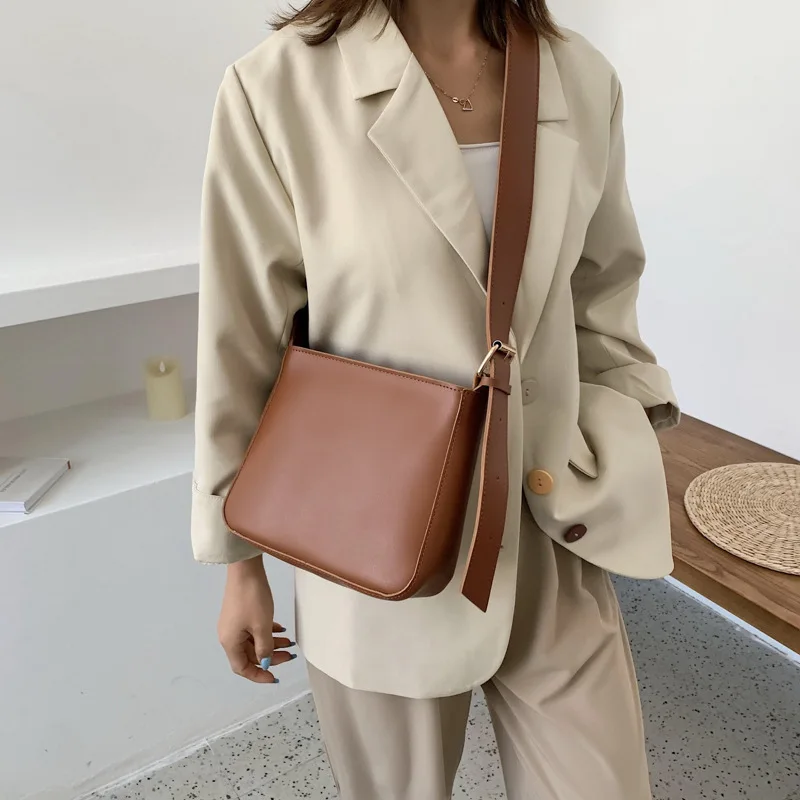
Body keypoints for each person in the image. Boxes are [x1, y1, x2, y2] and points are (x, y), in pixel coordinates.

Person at [191, 1, 680, 797]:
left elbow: (603, 296)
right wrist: (239, 561)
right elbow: (240, 340)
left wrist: (624, 441)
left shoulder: (581, 78)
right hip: (374, 544)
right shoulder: (278, 87)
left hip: (549, 524)